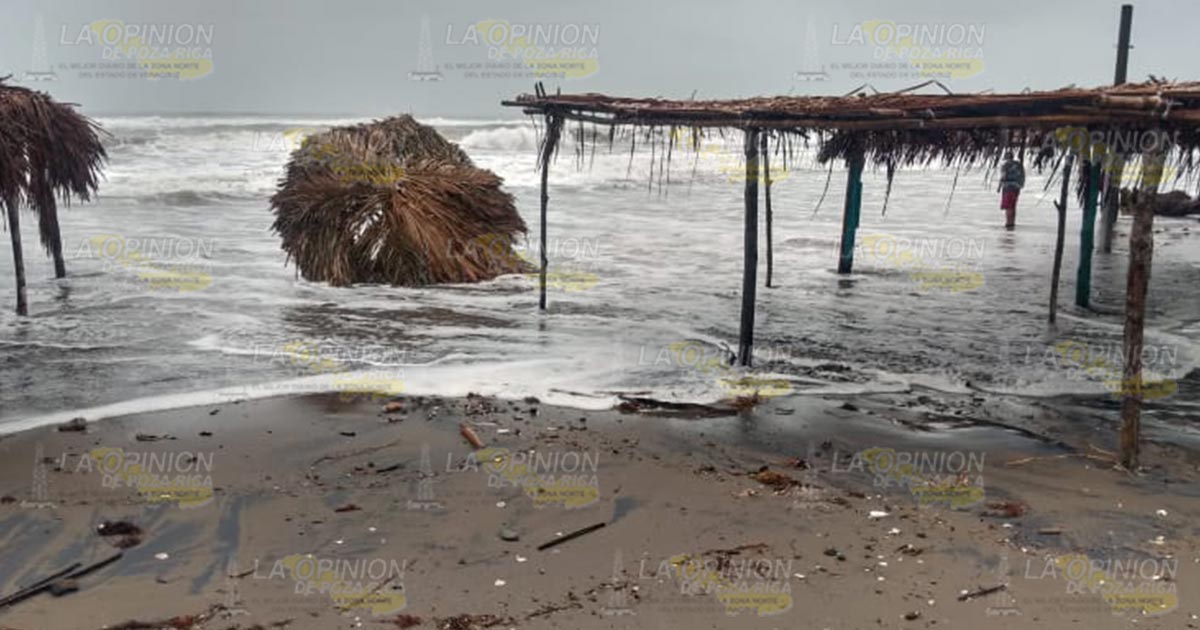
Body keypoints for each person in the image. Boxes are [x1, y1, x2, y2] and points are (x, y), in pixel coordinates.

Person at [998, 152, 1026, 229]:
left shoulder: (1005, 166)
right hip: (1016, 187)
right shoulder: (1018, 164)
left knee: (1008, 207)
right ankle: (1012, 222)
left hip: (1008, 187)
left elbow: (1003, 176)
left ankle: (1008, 223)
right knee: (1013, 206)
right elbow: (1023, 175)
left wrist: (1000, 185)